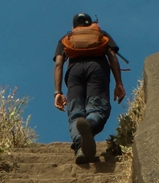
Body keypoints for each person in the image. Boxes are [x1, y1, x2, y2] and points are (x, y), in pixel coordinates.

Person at [54, 13, 126, 164]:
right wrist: (119, 83)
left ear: (75, 26)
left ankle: (80, 147)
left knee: (75, 114)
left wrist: (58, 92)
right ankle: (89, 125)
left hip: (74, 72)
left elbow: (59, 64)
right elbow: (112, 56)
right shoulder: (101, 34)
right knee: (97, 109)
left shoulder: (67, 38)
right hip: (97, 68)